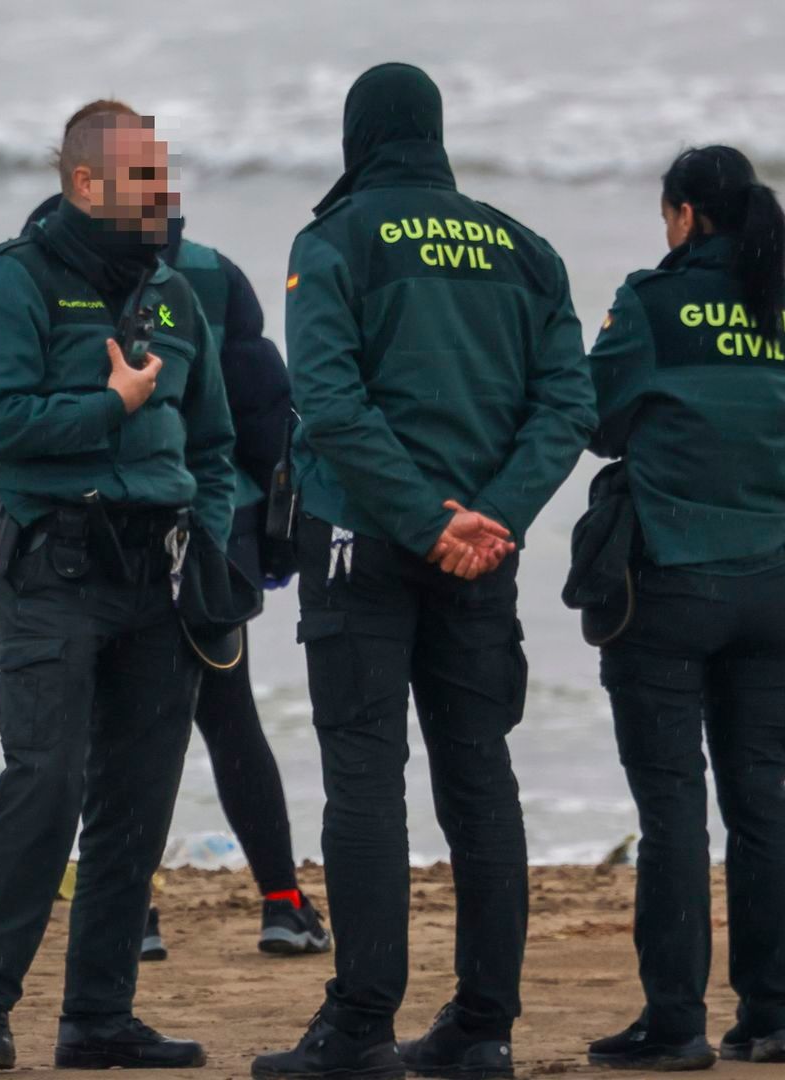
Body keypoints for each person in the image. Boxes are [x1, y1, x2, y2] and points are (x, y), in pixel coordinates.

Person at [251, 64, 594, 1080]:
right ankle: (483, 1028)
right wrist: (495, 514)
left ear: (357, 136)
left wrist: (421, 518)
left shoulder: (336, 239)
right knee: (480, 776)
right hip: (484, 549)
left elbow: (326, 398)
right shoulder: (525, 250)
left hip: (365, 537)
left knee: (365, 776)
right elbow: (567, 404)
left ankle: (360, 1029)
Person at [0, 106, 236, 1072]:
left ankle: (98, 1018)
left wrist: (216, 550)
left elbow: (217, 445)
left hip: (159, 577)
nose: (166, 193)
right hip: (53, 567)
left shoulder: (177, 295)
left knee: (138, 800)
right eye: (145, 176)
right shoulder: (15, 281)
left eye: (166, 173)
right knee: (45, 787)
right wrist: (108, 406)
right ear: (85, 185)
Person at [20, 101, 329, 963]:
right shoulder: (215, 275)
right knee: (228, 721)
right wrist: (265, 542)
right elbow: (262, 418)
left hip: (101, 543)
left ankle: (139, 914)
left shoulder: (44, 267)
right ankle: (281, 903)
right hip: (205, 540)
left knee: (103, 733)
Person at [579, 146, 785, 1071]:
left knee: (672, 806)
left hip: (671, 582)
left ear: (683, 216)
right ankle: (771, 1019)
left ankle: (674, 1023)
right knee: (761, 802)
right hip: (772, 587)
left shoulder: (650, 300)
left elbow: (596, 418)